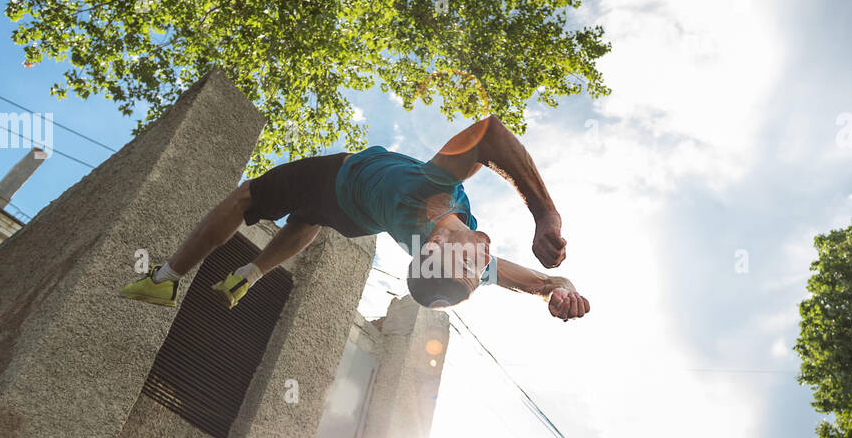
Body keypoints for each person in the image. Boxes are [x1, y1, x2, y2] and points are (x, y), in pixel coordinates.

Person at [118, 115, 590, 321]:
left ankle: (165, 278)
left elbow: (488, 136)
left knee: (247, 199)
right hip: (358, 217)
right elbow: (543, 283)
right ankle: (250, 273)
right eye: (479, 272)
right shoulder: (462, 257)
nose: (484, 262)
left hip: (337, 179)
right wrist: (561, 290)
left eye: (469, 267)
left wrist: (545, 212)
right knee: (307, 221)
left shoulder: (427, 190)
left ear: (434, 248)